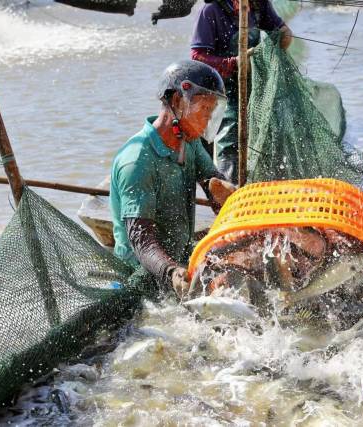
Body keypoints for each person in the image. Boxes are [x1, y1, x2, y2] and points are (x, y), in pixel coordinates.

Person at [110, 60, 235, 299]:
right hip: (140, 277)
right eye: (204, 110)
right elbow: (140, 239)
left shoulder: (190, 142)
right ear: (178, 101)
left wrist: (224, 191)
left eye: (211, 111)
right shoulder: (137, 161)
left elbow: (213, 182)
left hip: (180, 258)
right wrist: (171, 272)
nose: (208, 120)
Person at [191, 0, 293, 183]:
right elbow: (198, 56)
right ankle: (229, 191)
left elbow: (276, 26)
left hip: (257, 88)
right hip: (225, 93)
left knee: (274, 135)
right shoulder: (211, 10)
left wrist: (285, 33)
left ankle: (270, 187)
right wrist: (233, 63)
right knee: (230, 140)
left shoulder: (259, 5)